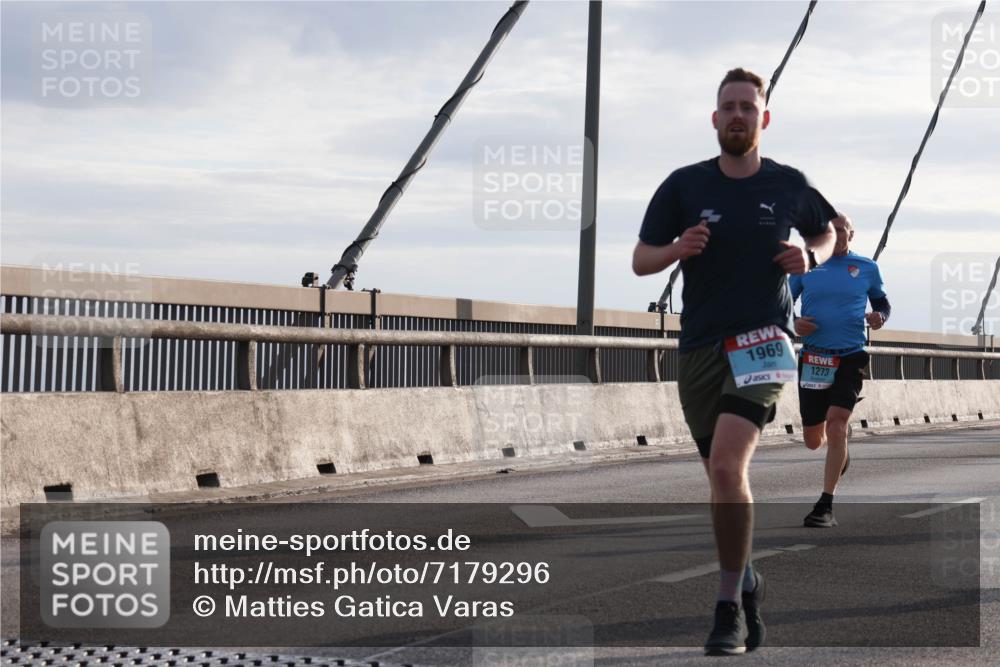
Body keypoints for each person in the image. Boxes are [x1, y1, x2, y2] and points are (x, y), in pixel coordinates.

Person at [633, 67, 836, 656]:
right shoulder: (683, 186)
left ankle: (727, 609)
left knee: (727, 465)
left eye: (750, 106)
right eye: (730, 106)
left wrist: (809, 254)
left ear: (764, 118)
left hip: (765, 345)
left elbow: (825, 234)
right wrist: (677, 249)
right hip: (699, 347)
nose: (740, 115)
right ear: (715, 118)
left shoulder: (789, 183)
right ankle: (748, 578)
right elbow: (642, 259)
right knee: (722, 480)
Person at [791, 214, 890, 527]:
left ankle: (825, 505)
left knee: (835, 425)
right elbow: (780, 304)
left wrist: (879, 317)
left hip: (850, 356)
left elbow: (882, 303)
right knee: (812, 440)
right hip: (814, 359)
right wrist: (792, 322)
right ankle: (842, 444)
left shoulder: (867, 268)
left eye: (841, 231)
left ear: (851, 234)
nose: (835, 235)